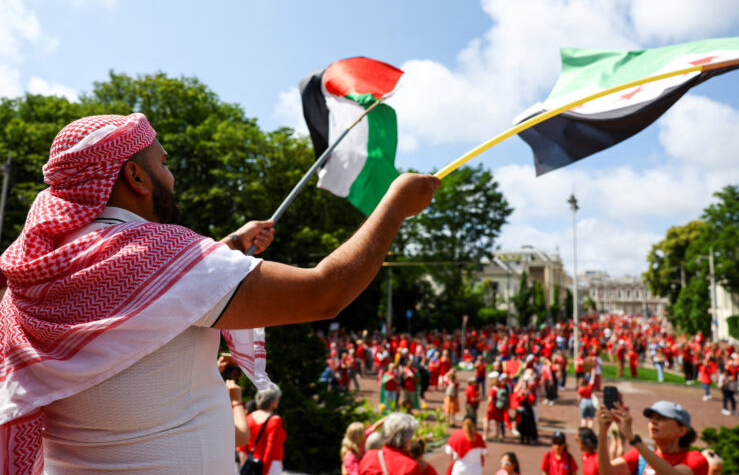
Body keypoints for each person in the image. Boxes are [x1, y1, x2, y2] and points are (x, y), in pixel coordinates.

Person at [0, 113, 440, 473]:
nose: (171, 177)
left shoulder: (32, 272)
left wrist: (225, 248)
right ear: (135, 176)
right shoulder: (158, 253)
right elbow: (326, 292)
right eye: (164, 163)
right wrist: (395, 205)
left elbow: (142, 300)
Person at [597, 400, 708, 475]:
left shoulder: (695, 458)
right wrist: (603, 431)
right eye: (651, 418)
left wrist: (634, 440)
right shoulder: (640, 455)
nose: (653, 422)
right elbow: (608, 472)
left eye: (661, 418)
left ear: (681, 430)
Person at [238, 387, 286, 475]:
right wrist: (263, 472)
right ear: (272, 402)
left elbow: (242, 447)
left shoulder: (249, 418)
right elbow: (270, 450)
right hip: (269, 466)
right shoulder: (275, 420)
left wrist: (244, 465)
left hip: (250, 464)